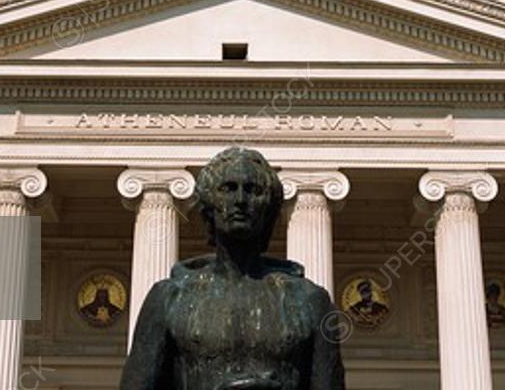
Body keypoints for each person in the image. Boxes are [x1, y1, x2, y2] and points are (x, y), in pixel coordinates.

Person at [120, 147, 346, 390]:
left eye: (253, 190)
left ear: (269, 210)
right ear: (207, 207)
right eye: (227, 189)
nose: (240, 200)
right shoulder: (169, 298)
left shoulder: (310, 301)